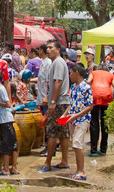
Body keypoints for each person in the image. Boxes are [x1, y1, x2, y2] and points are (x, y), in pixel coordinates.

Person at [39, 40, 70, 173]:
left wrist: (53, 101)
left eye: (51, 47)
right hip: (61, 102)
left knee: (52, 133)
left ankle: (47, 163)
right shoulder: (57, 62)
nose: (48, 50)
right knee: (63, 134)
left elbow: (58, 82)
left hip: (58, 103)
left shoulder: (57, 62)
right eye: (47, 48)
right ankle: (64, 161)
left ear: (58, 49)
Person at [67, 64, 93, 181]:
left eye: (71, 72)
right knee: (75, 144)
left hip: (82, 119)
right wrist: (65, 115)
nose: (70, 75)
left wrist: (76, 116)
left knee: (78, 144)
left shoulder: (86, 87)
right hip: (72, 119)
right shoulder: (73, 87)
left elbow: (90, 106)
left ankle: (81, 170)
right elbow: (71, 103)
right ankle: (78, 169)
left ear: (76, 72)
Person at [88, 63, 114, 156]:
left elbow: (88, 82)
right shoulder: (111, 75)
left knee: (94, 122)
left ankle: (93, 150)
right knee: (105, 123)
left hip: (94, 96)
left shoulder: (93, 72)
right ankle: (103, 150)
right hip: (107, 96)